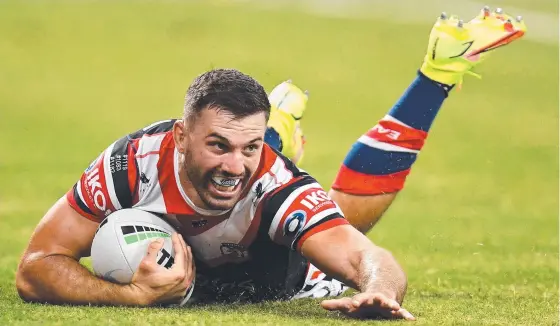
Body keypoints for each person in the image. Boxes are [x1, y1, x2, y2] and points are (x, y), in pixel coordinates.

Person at [15, 7, 525, 321]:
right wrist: (130, 298)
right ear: (179, 136)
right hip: (209, 228)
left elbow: (368, 257)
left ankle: (434, 76)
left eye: (249, 147)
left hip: (268, 270)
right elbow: (35, 270)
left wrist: (377, 292)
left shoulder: (275, 187)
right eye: (217, 144)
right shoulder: (131, 164)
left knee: (346, 216)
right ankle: (276, 130)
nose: (235, 165)